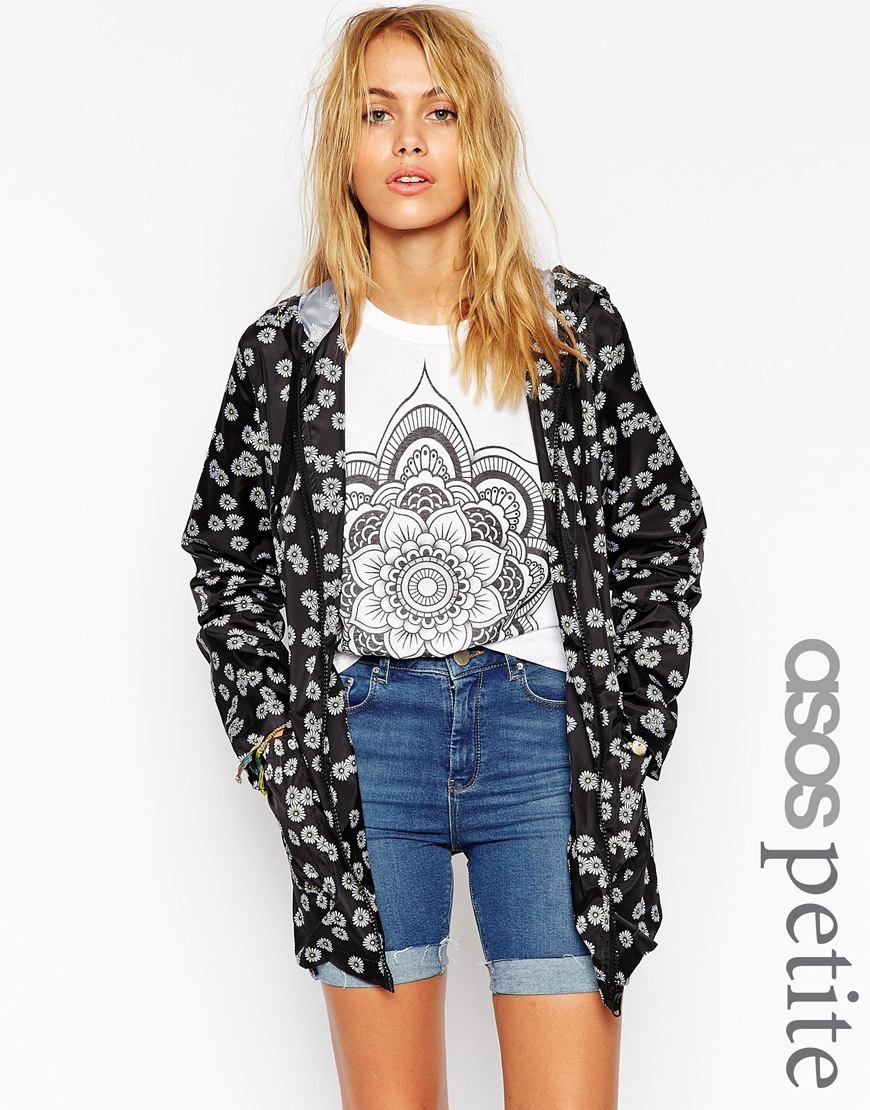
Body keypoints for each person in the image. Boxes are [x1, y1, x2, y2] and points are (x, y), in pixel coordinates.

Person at [180, 6, 708, 1108]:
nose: (410, 139)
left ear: (481, 139)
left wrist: (630, 728)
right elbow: (226, 559)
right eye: (378, 114)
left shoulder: (568, 331)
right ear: (345, 143)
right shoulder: (286, 355)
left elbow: (661, 525)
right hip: (364, 747)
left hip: (546, 743)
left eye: (441, 111)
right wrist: (278, 746)